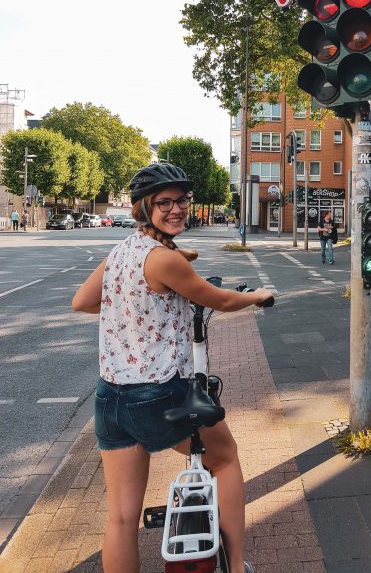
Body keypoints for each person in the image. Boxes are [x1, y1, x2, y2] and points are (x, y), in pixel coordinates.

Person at [72, 163, 271, 573]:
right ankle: (236, 567)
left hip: (110, 398)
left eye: (182, 200)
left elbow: (84, 302)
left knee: (122, 518)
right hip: (159, 392)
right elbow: (221, 300)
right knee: (226, 459)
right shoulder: (165, 262)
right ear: (145, 208)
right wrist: (258, 296)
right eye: (164, 202)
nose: (177, 209)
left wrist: (128, 305)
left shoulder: (121, 251)